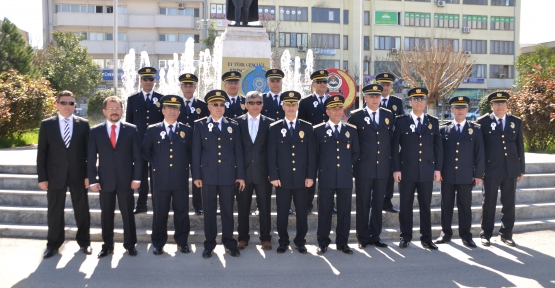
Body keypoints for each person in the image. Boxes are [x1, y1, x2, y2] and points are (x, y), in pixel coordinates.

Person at [37, 90, 91, 258]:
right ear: (57, 104)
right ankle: (53, 244)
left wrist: (89, 175)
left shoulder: (83, 124)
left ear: (75, 105)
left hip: (79, 174)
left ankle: (84, 242)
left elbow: (89, 153)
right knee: (54, 210)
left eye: (71, 103)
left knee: (82, 209)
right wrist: (42, 177)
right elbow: (42, 153)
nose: (67, 106)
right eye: (64, 103)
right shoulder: (47, 124)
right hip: (54, 175)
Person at [192, 90, 245, 258]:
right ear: (208, 106)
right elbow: (196, 153)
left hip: (228, 174)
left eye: (222, 105)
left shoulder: (233, 125)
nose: (219, 108)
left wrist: (240, 175)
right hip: (208, 175)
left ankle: (229, 242)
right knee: (209, 211)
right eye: (215, 105)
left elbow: (238, 152)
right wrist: (197, 176)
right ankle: (209, 244)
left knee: (228, 211)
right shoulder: (200, 125)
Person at [88, 96, 142, 257]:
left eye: (117, 108)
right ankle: (107, 245)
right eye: (111, 109)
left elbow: (137, 157)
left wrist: (137, 178)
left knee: (128, 214)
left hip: (126, 180)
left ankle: (130, 244)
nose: (114, 112)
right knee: (106, 215)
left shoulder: (131, 129)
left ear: (122, 110)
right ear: (104, 111)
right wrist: (93, 179)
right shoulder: (95, 131)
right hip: (105, 181)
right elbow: (91, 158)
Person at [392, 87, 442, 250]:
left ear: (426, 102)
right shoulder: (400, 121)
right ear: (410, 102)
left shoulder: (433, 122)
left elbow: (437, 148)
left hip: (427, 170)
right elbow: (394, 148)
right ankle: (405, 237)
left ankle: (426, 238)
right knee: (405, 205)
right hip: (406, 171)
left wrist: (437, 169)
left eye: (422, 99)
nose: (419, 102)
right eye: (416, 99)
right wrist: (396, 169)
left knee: (425, 206)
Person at [142, 95, 193, 255]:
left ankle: (182, 242)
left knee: (182, 211)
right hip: (160, 178)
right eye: (169, 108)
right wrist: (157, 163)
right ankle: (158, 243)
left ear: (179, 112)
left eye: (175, 109)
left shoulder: (186, 130)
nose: (172, 111)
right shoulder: (153, 130)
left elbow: (191, 153)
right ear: (163, 110)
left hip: (180, 177)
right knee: (160, 211)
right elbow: (145, 151)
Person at [268, 91, 316, 254]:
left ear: (297, 106)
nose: (290, 107)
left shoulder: (307, 127)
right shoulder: (274, 128)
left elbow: (311, 154)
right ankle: (283, 241)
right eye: (287, 104)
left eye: (293, 104)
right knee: (282, 212)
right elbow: (271, 154)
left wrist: (310, 176)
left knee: (302, 212)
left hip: (302, 178)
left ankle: (300, 241)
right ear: (282, 107)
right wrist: (273, 176)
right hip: (282, 178)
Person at [348, 84, 395, 249]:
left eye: (377, 96)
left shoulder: (388, 115)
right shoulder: (356, 117)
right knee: (363, 202)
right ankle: (362, 236)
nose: (375, 99)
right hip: (363, 168)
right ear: (365, 98)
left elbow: (391, 141)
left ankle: (375, 235)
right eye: (371, 96)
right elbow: (352, 143)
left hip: (382, 167)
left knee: (377, 203)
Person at [435, 96, 485, 248]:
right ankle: (445, 233)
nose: (460, 110)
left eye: (463, 107)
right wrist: (438, 171)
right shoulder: (443, 129)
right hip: (447, 174)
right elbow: (439, 152)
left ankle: (466, 235)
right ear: (451, 110)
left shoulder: (475, 129)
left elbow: (480, 153)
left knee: (465, 207)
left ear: (467, 110)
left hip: (466, 174)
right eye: (457, 107)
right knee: (446, 206)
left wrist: (478, 174)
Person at [477, 91, 525, 247]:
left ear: (506, 105)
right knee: (489, 203)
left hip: (511, 169)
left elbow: (520, 147)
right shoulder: (482, 122)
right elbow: (480, 149)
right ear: (491, 106)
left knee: (509, 203)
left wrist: (521, 169)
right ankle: (486, 234)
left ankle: (506, 234)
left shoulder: (515, 122)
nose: (500, 106)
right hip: (491, 169)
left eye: (503, 103)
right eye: (497, 104)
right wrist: (479, 171)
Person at [314, 96, 359, 255]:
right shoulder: (318, 130)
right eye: (334, 108)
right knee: (324, 210)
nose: (338, 111)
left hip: (345, 176)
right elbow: (315, 155)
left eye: (340, 108)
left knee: (344, 211)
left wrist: (345, 167)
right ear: (327, 111)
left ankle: (342, 242)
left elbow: (355, 153)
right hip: (326, 176)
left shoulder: (351, 130)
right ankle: (323, 242)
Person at [234, 91, 274, 250]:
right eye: (251, 102)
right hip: (243, 174)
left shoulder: (270, 123)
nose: (255, 105)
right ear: (245, 105)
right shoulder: (236, 123)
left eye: (258, 102)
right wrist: (238, 174)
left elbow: (272, 151)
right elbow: (236, 150)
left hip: (263, 173)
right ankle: (242, 237)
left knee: (265, 207)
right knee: (243, 207)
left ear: (262, 105)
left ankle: (265, 238)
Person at [126, 67, 164, 214]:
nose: (148, 82)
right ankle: (141, 204)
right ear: (140, 81)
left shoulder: (162, 98)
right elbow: (129, 123)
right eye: (145, 79)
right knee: (140, 174)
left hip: (156, 144)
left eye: (151, 79)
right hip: (139, 143)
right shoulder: (132, 99)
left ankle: (157, 203)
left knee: (156, 174)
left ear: (155, 80)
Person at [298, 69, 331, 215]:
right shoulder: (305, 102)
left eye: (325, 81)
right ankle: (307, 204)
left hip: (328, 145)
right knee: (310, 175)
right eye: (319, 82)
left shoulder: (332, 101)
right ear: (314, 84)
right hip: (311, 145)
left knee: (329, 176)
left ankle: (330, 204)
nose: (323, 84)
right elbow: (301, 124)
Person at [177, 73, 208, 215]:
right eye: (185, 86)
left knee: (198, 175)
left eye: (191, 86)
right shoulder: (174, 105)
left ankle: (199, 205)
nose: (188, 88)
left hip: (198, 147)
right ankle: (179, 204)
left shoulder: (202, 105)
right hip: (179, 146)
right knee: (179, 175)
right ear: (181, 87)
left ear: (195, 87)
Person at [375, 72, 405, 214]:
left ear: (391, 86)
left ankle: (387, 202)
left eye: (387, 85)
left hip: (392, 142)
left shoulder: (397, 102)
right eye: (382, 84)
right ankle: (374, 202)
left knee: (390, 172)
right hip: (376, 143)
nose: (385, 87)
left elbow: (401, 122)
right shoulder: (372, 99)